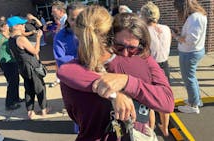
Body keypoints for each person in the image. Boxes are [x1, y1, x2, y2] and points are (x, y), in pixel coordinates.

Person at [58, 6, 174, 140]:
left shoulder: (70, 76)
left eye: (132, 48)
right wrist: (117, 91)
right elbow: (167, 103)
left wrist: (124, 81)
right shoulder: (142, 61)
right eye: (121, 46)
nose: (126, 53)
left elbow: (75, 116)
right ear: (111, 34)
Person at [53, 1, 85, 133]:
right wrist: (82, 60)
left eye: (80, 18)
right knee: (77, 108)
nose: (76, 22)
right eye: (73, 19)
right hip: (72, 80)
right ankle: (80, 129)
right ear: (67, 18)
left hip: (91, 79)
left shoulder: (91, 33)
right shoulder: (61, 36)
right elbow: (61, 60)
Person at [7, 16, 48, 119]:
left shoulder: (10, 39)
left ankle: (30, 111)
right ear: (16, 26)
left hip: (22, 66)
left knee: (28, 88)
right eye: (21, 24)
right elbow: (35, 51)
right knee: (39, 87)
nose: (24, 25)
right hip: (31, 65)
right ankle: (43, 109)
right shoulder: (21, 39)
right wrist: (38, 38)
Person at [140, 1, 172, 136]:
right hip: (164, 65)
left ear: (143, 15)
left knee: (150, 100)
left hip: (150, 67)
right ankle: (165, 128)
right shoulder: (166, 28)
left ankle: (150, 130)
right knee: (163, 99)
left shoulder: (144, 31)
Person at [172, 0, 207, 114]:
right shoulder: (199, 15)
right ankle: (196, 100)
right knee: (192, 77)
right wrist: (180, 32)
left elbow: (190, 40)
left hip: (189, 53)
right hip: (195, 51)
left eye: (178, 10)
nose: (178, 12)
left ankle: (193, 106)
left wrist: (176, 36)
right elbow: (192, 35)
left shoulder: (194, 18)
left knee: (189, 79)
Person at [0, 21, 23, 110]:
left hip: (13, 61)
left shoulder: (10, 35)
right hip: (6, 63)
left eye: (8, 25)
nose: (8, 27)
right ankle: (9, 103)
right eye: (6, 26)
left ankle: (16, 98)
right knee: (11, 82)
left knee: (16, 81)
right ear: (2, 28)